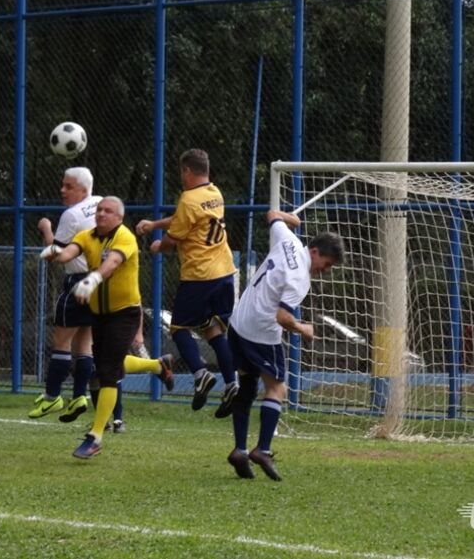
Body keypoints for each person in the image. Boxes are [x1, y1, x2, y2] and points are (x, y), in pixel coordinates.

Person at [31, 169, 173, 429]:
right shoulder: (95, 220)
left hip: (95, 290)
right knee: (102, 358)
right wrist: (57, 253)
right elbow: (67, 252)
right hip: (99, 296)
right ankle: (109, 409)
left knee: (69, 345)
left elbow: (105, 261)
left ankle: (58, 399)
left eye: (68, 186)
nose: (62, 190)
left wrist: (46, 231)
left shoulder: (81, 219)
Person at [225, 210, 344, 480]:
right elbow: (283, 317)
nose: (325, 271)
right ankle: (263, 449)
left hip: (238, 322)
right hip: (261, 332)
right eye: (326, 264)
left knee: (247, 385)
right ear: (314, 251)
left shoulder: (287, 240)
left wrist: (294, 221)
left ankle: (240, 451)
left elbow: (272, 215)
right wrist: (304, 329)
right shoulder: (300, 278)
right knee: (277, 387)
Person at [41, 196, 148, 458]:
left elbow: (111, 264)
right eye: (99, 210)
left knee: (108, 373)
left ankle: (96, 436)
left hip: (125, 313)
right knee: (105, 366)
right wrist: (53, 250)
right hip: (99, 314)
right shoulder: (87, 236)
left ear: (119, 217)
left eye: (108, 211)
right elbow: (67, 253)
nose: (101, 214)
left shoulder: (125, 237)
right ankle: (158, 366)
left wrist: (92, 279)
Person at [135, 148, 238, 417]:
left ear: (187, 171)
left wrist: (158, 245)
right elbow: (185, 218)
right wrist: (154, 223)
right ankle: (231, 384)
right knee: (215, 331)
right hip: (225, 273)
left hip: (199, 276)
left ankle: (201, 373)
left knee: (179, 328)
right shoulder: (214, 193)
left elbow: (174, 238)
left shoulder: (188, 198)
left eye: (182, 172)